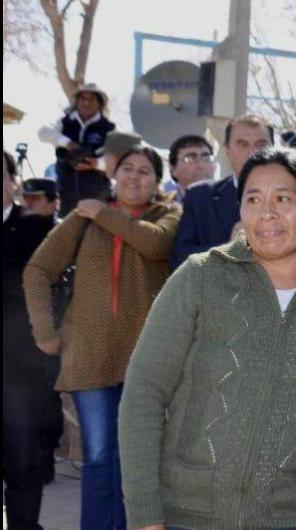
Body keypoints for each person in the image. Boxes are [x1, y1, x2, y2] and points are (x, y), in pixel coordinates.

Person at [118, 147, 296, 530]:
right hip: (189, 515)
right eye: (253, 199)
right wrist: (144, 514)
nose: (266, 212)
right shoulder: (201, 276)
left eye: (283, 198)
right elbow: (143, 394)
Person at [23, 146, 181, 530]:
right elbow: (39, 269)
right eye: (127, 168)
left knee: (136, 461)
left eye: (145, 171)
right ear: (114, 174)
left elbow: (156, 244)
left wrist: (104, 213)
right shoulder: (83, 219)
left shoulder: (169, 215)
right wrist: (43, 330)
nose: (134, 177)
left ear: (157, 182)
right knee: (98, 456)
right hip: (89, 357)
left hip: (146, 362)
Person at [4, 152, 56, 530]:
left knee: (23, 465)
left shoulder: (35, 229)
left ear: (13, 181)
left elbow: (27, 290)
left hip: (19, 372)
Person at [170, 114, 274, 269]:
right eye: (242, 144)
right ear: (227, 149)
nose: (252, 152)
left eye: (261, 144)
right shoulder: (200, 197)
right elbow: (179, 259)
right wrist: (228, 249)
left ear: (274, 148)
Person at [19, 178, 63, 484]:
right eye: (26, 199)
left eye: (36, 200)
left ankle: (44, 457)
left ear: (52, 202)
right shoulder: (16, 231)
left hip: (51, 327)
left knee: (46, 399)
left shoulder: (62, 233)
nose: (29, 205)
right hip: (18, 327)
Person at [38, 83, 116, 216]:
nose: (86, 103)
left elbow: (116, 159)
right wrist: (68, 143)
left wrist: (96, 164)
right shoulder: (65, 122)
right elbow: (43, 133)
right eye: (83, 99)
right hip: (67, 195)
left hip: (97, 197)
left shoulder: (108, 128)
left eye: (91, 99)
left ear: (99, 103)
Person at [165, 134, 216, 202]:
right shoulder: (162, 208)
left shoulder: (230, 203)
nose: (201, 165)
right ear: (173, 169)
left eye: (206, 158)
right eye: (190, 159)